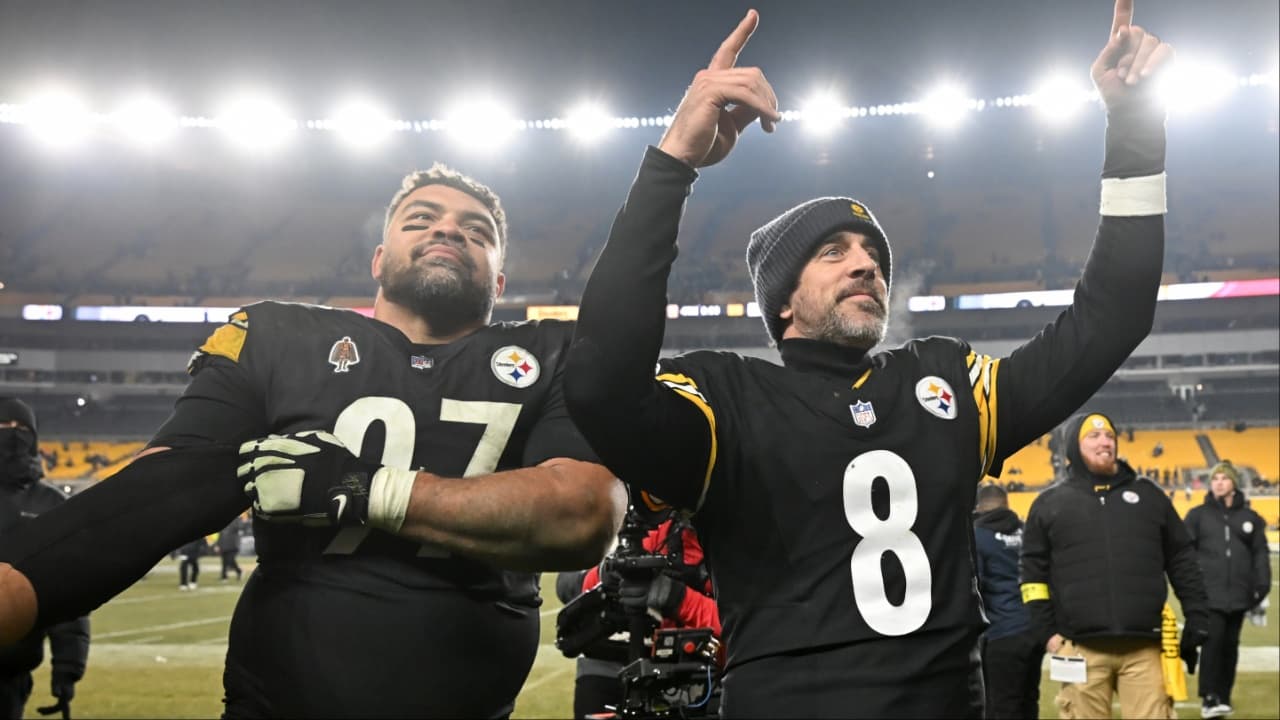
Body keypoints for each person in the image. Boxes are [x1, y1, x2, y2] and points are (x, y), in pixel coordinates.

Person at [562, 2, 1174, 716]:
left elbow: (1113, 317)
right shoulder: (726, 397)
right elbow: (601, 384)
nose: (865, 266)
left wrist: (1133, 132)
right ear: (781, 303)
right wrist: (673, 162)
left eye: (875, 257)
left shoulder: (942, 382)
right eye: (833, 252)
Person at [0, 165, 626, 718]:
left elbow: (583, 513)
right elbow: (155, 495)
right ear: (378, 260)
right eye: (422, 218)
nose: (448, 231)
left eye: (477, 230)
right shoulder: (276, 337)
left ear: (498, 281)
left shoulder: (554, 353)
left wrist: (362, 488)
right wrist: (19, 586)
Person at [1020, 411, 1209, 719]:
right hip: (1078, 648)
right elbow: (1032, 575)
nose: (1105, 442)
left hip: (1145, 647)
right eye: (1093, 436)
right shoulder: (1049, 504)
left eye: (1109, 435)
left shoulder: (1149, 497)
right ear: (1072, 448)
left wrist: (1198, 615)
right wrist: (1047, 632)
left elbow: (1182, 560)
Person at [556, 508, 721, 719]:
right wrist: (607, 576)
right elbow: (573, 586)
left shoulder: (742, 541)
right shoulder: (663, 530)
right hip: (652, 668)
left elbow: (753, 629)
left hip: (715, 674)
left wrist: (678, 599)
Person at [0, 399, 89, 720]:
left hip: (10, 670)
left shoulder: (49, 504)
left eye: (19, 428)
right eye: (1, 428)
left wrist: (68, 665)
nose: (9, 435)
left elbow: (65, 589)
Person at [1183, 460, 1271, 718]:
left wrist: (1261, 587)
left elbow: (1260, 555)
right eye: (1215, 479)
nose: (1218, 483)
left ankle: (1224, 695)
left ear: (1233, 483)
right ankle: (1209, 697)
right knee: (1212, 645)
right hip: (1210, 595)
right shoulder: (1197, 516)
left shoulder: (1251, 518)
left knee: (1230, 647)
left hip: (1239, 596)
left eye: (1223, 478)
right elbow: (1185, 553)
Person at [972, 483, 1042, 719]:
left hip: (1003, 631)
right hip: (1034, 629)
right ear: (1007, 504)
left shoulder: (978, 536)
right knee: (1028, 699)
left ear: (979, 507)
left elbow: (975, 587)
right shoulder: (1027, 531)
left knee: (1001, 705)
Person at [217, 515, 246, 582]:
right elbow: (220, 535)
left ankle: (238, 571)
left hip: (233, 545)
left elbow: (240, 527)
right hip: (224, 545)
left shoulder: (237, 520)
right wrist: (218, 545)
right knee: (224, 561)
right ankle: (224, 576)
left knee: (230, 560)